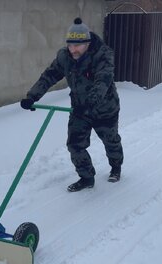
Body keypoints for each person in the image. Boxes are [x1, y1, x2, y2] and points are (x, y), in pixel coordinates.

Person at [20, 17, 124, 192]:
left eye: (77, 45)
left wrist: (91, 102)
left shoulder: (103, 54)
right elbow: (50, 75)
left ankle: (116, 167)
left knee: (110, 141)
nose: (73, 49)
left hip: (104, 108)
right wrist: (32, 97)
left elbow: (103, 81)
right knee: (75, 145)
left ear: (87, 43)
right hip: (79, 109)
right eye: (70, 44)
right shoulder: (64, 57)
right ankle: (86, 177)